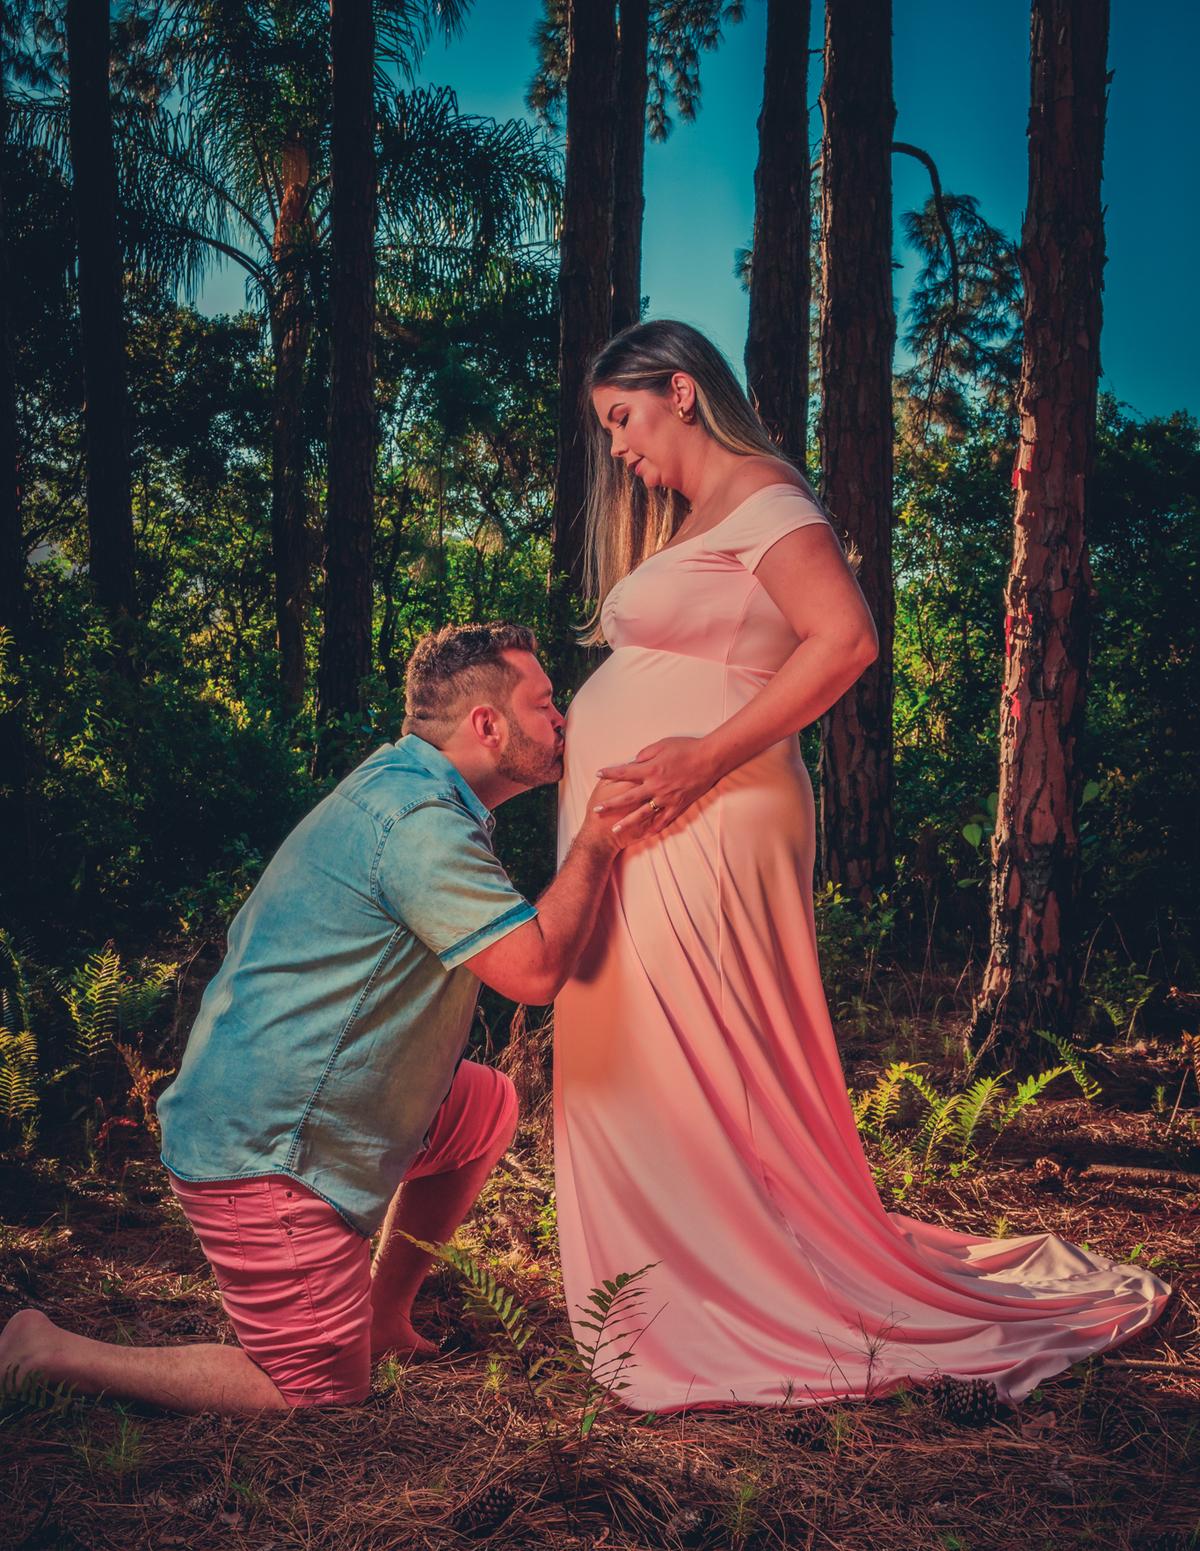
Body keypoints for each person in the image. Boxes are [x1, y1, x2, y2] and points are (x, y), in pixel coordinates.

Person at [553, 319, 1169, 1413]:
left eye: (623, 419)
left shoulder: (766, 497)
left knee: (706, 1049)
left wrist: (698, 758)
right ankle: (674, 1267)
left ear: (681, 392)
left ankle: (736, 1278)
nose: (618, 450)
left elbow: (844, 640)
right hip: (669, 823)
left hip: (716, 815)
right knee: (648, 1050)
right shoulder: (702, 519)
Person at [0, 624, 644, 1413]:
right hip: (267, 1151)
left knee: (485, 1107)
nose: (564, 722)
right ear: (487, 725)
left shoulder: (415, 790)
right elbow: (536, 971)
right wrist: (600, 840)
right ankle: (52, 1352)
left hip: (304, 1109)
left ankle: (382, 1314)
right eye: (546, 705)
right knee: (317, 1389)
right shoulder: (418, 823)